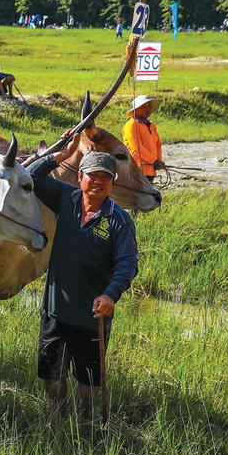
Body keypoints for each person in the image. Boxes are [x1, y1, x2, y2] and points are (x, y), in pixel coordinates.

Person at [28, 148, 139, 419]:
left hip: (91, 316)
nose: (99, 181)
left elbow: (127, 264)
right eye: (93, 175)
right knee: (51, 373)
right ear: (80, 177)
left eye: (106, 177)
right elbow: (32, 175)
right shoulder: (67, 198)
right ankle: (56, 413)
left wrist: (111, 295)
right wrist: (62, 153)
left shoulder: (119, 220)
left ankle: (85, 423)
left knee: (89, 381)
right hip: (55, 310)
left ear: (112, 182)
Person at [122, 94, 164, 182]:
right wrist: (154, 161)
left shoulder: (151, 126)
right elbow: (136, 149)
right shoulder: (131, 126)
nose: (148, 109)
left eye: (149, 106)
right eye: (144, 106)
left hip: (150, 170)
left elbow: (158, 145)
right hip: (138, 170)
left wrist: (158, 161)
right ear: (136, 109)